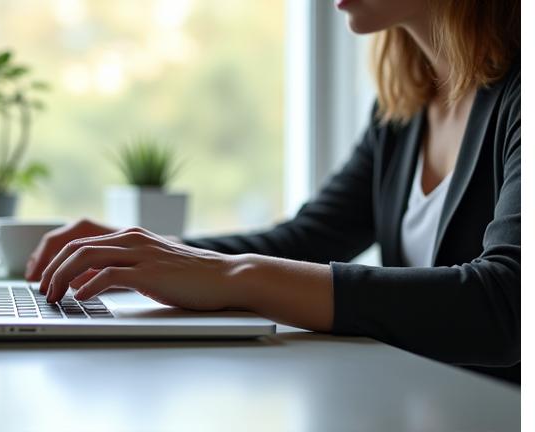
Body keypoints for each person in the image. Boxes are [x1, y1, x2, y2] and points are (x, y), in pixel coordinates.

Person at [25, 0, 520, 383]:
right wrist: (143, 254)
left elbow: (508, 305)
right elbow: (306, 240)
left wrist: (237, 276)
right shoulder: (404, 109)